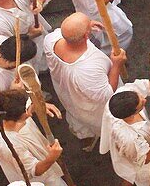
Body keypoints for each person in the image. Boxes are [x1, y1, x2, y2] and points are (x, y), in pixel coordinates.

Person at [0, 89, 75, 186]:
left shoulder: (2, 110)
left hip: (35, 149)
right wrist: (52, 157)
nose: (30, 113)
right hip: (36, 175)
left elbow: (28, 103)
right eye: (27, 111)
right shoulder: (10, 145)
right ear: (18, 116)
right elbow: (34, 170)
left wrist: (40, 106)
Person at [45, 12, 125, 142]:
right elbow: (106, 94)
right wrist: (116, 65)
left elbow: (70, 32)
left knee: (74, 111)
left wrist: (88, 25)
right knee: (108, 127)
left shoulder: (51, 39)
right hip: (92, 106)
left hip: (69, 92)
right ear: (86, 35)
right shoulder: (89, 68)